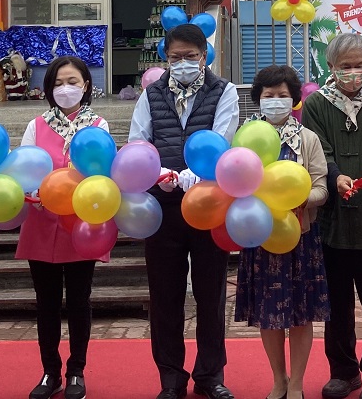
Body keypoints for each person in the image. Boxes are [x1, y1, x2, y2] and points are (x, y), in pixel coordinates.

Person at [128, 23, 240, 399]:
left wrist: (197, 172)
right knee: (165, 296)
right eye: (175, 57)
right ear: (166, 58)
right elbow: (137, 142)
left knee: (211, 293)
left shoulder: (224, 91)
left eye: (190, 57)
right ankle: (170, 378)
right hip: (162, 208)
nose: (183, 63)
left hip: (209, 203)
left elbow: (223, 140)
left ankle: (211, 375)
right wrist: (157, 173)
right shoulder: (152, 93)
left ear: (204, 56)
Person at [301, 33, 362, 399]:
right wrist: (332, 173)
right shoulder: (315, 105)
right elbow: (317, 147)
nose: (353, 73)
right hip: (332, 221)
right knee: (336, 303)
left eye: (359, 65)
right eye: (345, 66)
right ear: (331, 67)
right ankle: (343, 371)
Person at [17, 56, 110, 399]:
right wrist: (33, 192)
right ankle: (49, 371)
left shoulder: (97, 125)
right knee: (46, 302)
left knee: (79, 300)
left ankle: (76, 371)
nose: (65, 89)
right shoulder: (36, 125)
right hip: (42, 222)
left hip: (82, 224)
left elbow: (104, 171)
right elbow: (23, 168)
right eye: (57, 83)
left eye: (72, 82)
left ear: (86, 85)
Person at [235, 65, 330, 399]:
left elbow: (321, 187)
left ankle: (298, 382)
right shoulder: (243, 137)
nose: (275, 101)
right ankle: (278, 378)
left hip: (299, 237)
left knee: (301, 315)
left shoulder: (308, 138)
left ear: (294, 100)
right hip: (260, 238)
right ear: (258, 99)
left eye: (282, 95)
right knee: (268, 314)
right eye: (268, 95)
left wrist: (303, 199)